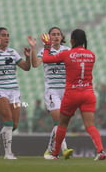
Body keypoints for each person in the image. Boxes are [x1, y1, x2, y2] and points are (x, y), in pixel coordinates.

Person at [41, 29, 106, 160]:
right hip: (88, 93)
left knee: (62, 124)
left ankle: (54, 154)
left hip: (72, 93)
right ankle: (100, 151)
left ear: (72, 40)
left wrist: (47, 47)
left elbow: (46, 59)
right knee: (90, 125)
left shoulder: (67, 54)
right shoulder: (91, 55)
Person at [0, 27, 32, 159]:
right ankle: (8, 153)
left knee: (14, 125)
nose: (7, 38)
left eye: (8, 35)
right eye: (4, 35)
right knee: (8, 121)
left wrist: (28, 58)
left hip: (14, 91)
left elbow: (26, 67)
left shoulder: (13, 52)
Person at [30, 26, 73, 159]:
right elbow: (35, 64)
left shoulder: (67, 51)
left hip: (66, 90)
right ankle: (64, 149)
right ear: (48, 37)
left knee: (62, 123)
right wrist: (33, 48)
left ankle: (49, 150)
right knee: (59, 120)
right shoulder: (44, 51)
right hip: (52, 90)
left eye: (58, 34)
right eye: (53, 34)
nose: (55, 36)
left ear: (61, 37)